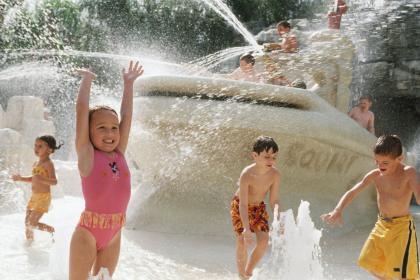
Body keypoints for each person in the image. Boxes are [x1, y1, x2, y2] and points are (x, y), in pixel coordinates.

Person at [69, 60, 144, 279]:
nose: (110, 133)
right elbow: (82, 111)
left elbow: (127, 116)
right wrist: (87, 80)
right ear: (89, 132)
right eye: (101, 128)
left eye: (114, 128)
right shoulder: (87, 155)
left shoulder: (119, 152)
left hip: (114, 233)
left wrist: (128, 84)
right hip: (87, 233)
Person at [321, 135, 420, 280]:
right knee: (368, 262)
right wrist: (337, 210)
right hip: (381, 225)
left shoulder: (408, 173)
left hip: (401, 228)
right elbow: (353, 191)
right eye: (377, 161)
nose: (380, 166)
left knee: (404, 274)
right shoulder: (376, 175)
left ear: (400, 159)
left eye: (385, 162)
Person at [230, 136, 281, 279]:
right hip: (241, 205)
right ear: (255, 156)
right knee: (242, 240)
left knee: (264, 241)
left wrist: (280, 219)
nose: (271, 161)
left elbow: (274, 200)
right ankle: (241, 276)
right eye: (267, 157)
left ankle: (248, 272)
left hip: (258, 207)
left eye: (274, 157)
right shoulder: (247, 174)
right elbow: (243, 204)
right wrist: (246, 228)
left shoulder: (275, 175)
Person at [11, 135, 61, 242]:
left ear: (49, 150)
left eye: (40, 146)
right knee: (27, 223)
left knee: (32, 223)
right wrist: (20, 178)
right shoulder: (35, 163)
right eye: (35, 146)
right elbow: (33, 179)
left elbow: (54, 181)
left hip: (43, 198)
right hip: (34, 197)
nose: (36, 148)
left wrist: (42, 179)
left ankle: (50, 230)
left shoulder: (48, 164)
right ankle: (30, 245)